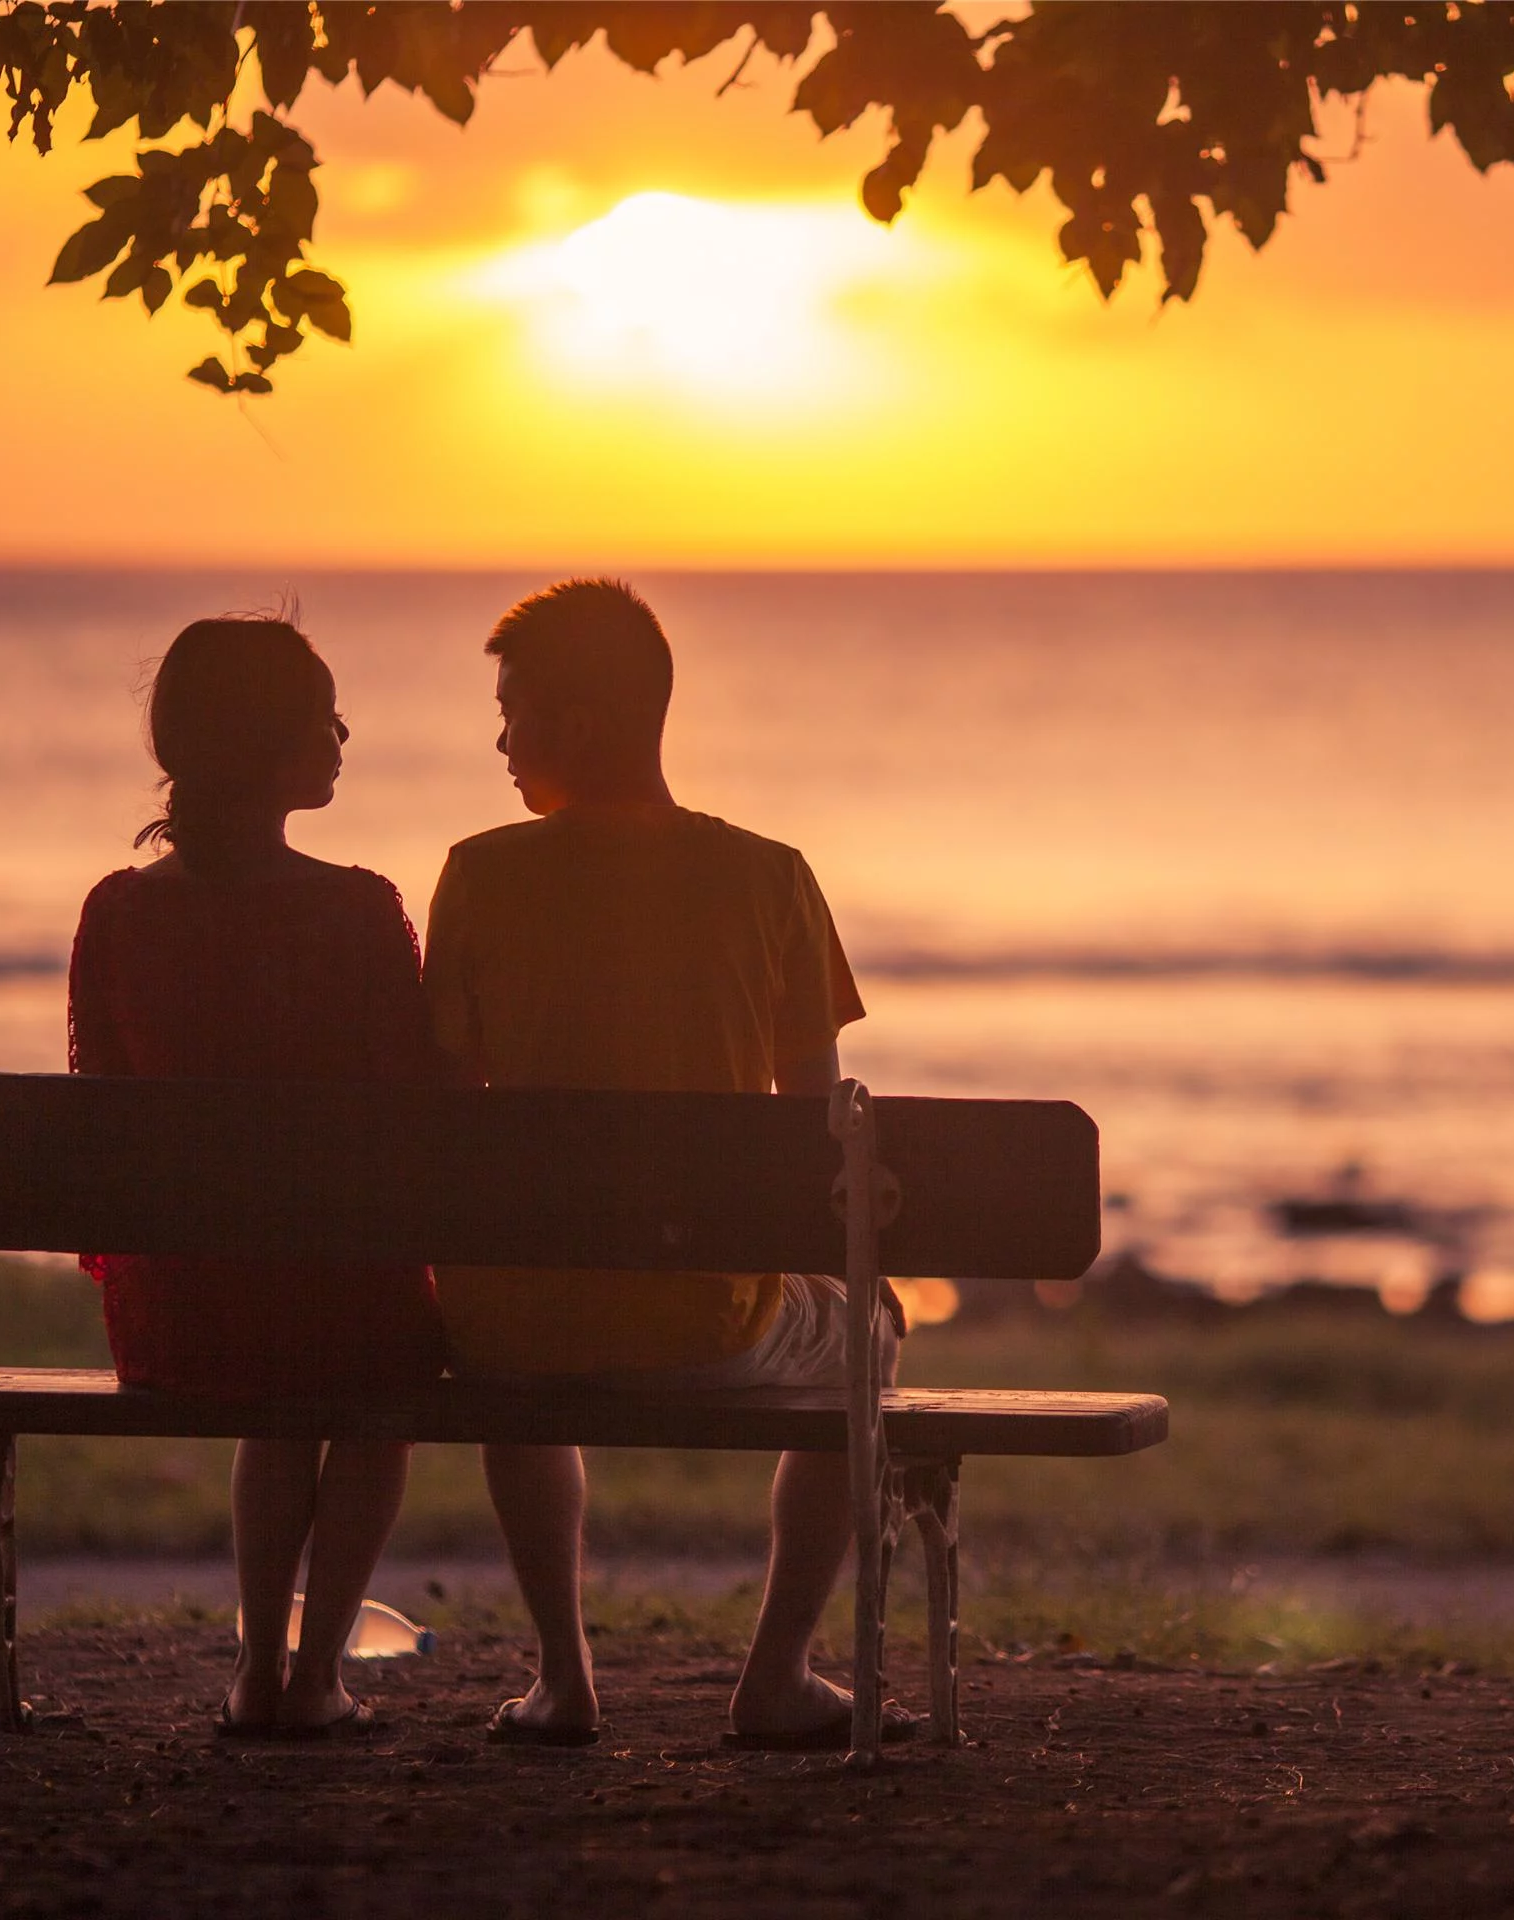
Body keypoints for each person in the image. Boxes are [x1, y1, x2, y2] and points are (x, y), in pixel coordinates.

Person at [423, 579, 896, 1751]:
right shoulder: (772, 876)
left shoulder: (479, 876)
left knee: (527, 1330)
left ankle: (563, 1681)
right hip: (709, 1327)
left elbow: (437, 1119)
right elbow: (816, 1130)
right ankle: (778, 1675)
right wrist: (854, 1277)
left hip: (513, 1330)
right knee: (871, 1337)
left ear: (577, 726)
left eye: (514, 708)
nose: (498, 736)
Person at [68, 616, 447, 1738]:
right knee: (376, 1393)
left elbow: (102, 1116)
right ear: (268, 746)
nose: (340, 740)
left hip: (180, 1312)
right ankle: (315, 1674)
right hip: (338, 1303)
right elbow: (415, 1117)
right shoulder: (356, 910)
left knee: (274, 1352)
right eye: (320, 720)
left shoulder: (119, 913)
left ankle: (252, 1675)